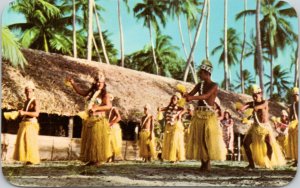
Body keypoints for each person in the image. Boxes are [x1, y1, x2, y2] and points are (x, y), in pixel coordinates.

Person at [184, 59, 226, 171]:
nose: (199, 74)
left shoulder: (215, 85)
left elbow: (206, 96)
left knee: (207, 139)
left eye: (201, 72)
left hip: (208, 115)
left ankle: (208, 164)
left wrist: (191, 98)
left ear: (207, 73)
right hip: (199, 113)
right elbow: (190, 94)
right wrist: (185, 95)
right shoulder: (199, 85)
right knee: (200, 139)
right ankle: (203, 163)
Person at [66, 72, 112, 166]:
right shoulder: (92, 92)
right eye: (97, 82)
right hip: (90, 119)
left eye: (101, 82)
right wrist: (73, 83)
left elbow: (109, 106)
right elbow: (82, 92)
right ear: (95, 83)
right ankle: (91, 159)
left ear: (104, 83)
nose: (99, 84)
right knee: (90, 141)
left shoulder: (105, 95)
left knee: (96, 141)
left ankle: (97, 160)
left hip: (98, 120)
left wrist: (96, 108)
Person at [238, 85, 285, 169]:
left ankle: (268, 163)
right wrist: (240, 109)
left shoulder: (265, 102)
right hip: (255, 127)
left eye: (256, 95)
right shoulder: (252, 103)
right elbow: (245, 106)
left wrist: (256, 107)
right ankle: (251, 164)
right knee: (245, 143)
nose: (254, 97)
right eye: (253, 95)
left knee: (269, 144)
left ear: (260, 94)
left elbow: (262, 106)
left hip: (265, 127)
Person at [13, 81, 40, 165]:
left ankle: (31, 160)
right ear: (25, 92)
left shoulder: (35, 101)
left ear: (33, 91)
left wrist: (24, 113)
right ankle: (27, 160)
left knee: (30, 142)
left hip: (31, 125)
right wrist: (20, 113)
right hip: (25, 123)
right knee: (24, 142)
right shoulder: (25, 102)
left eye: (30, 91)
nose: (28, 93)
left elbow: (36, 114)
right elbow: (25, 114)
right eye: (27, 91)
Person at [159, 93, 186, 163]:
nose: (173, 100)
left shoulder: (178, 106)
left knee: (175, 142)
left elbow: (184, 109)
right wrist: (160, 109)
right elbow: (164, 109)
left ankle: (176, 158)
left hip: (176, 126)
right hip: (169, 126)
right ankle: (173, 158)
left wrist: (179, 114)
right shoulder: (169, 106)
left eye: (175, 99)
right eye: (172, 98)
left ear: (177, 100)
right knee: (171, 142)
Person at [107, 94, 123, 162]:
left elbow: (119, 117)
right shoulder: (106, 109)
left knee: (113, 142)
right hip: (108, 127)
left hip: (113, 127)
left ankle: (112, 158)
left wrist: (110, 123)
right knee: (108, 142)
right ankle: (109, 157)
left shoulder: (114, 108)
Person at [287, 87, 299, 166]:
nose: (295, 97)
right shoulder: (292, 106)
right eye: (293, 96)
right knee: (294, 143)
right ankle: (296, 160)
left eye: (296, 95)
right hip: (294, 127)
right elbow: (290, 116)